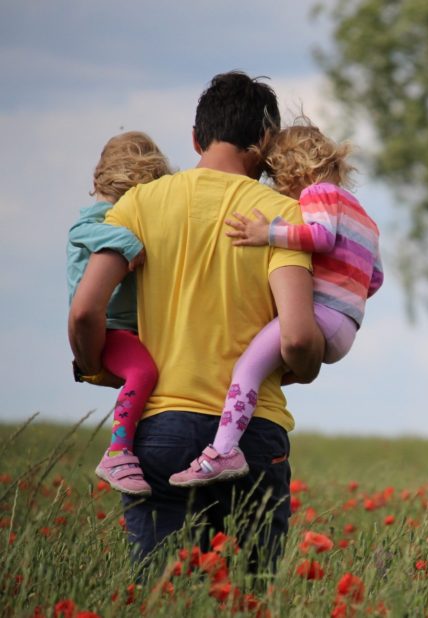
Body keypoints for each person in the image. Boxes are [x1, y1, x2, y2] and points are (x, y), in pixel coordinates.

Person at [68, 71, 325, 573]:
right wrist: (308, 363)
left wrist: (94, 364)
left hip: (159, 430)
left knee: (162, 595)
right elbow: (296, 337)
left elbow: (84, 310)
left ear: (195, 138)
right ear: (266, 142)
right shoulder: (282, 217)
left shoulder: (138, 204)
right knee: (248, 598)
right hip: (252, 435)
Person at [168, 120, 383, 487]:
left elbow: (320, 237)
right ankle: (233, 435)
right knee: (265, 370)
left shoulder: (318, 195)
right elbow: (374, 278)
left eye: (277, 177)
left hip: (321, 316)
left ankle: (223, 451)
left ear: (295, 170)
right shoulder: (364, 216)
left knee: (247, 368)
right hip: (347, 326)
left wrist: (266, 233)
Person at [67, 131, 171, 496]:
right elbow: (82, 231)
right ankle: (118, 451)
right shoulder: (101, 217)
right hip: (109, 328)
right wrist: (128, 242)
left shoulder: (117, 214)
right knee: (143, 371)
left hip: (127, 328)